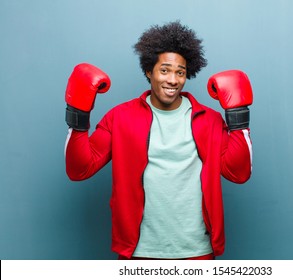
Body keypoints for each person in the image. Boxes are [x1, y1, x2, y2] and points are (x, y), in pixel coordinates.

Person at [64, 21, 253, 260]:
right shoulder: (120, 117)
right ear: (148, 71)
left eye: (180, 72)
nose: (173, 80)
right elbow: (80, 168)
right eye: (164, 70)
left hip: (196, 250)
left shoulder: (209, 120)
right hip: (139, 252)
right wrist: (77, 115)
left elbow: (238, 172)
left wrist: (239, 119)